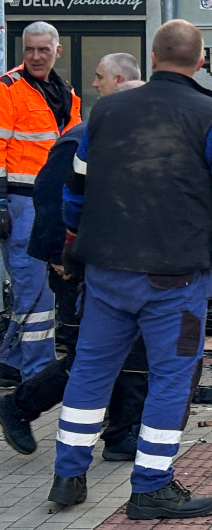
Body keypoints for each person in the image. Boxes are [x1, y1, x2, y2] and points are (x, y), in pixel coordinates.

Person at [50, 21, 212, 519]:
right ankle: (151, 487)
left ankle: (68, 476)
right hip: (175, 279)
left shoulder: (105, 111)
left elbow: (75, 190)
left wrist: (72, 240)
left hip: (106, 272)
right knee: (171, 378)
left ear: (151, 58)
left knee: (90, 370)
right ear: (199, 63)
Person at [0, 60, 147, 460]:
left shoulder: (120, 141)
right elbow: (50, 202)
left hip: (105, 265)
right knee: (91, 354)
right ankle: (20, 405)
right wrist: (61, 258)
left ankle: (120, 435)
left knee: (128, 351)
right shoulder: (79, 140)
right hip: (75, 268)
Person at [0, 22, 82, 387]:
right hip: (20, 202)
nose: (35, 56)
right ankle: (36, 372)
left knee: (38, 290)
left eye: (43, 50)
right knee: (34, 291)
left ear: (57, 51)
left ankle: (12, 361)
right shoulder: (8, 89)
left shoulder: (66, 93)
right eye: (29, 50)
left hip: (50, 203)